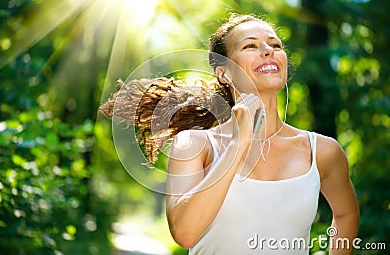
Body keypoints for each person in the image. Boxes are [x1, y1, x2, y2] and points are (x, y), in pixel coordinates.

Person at [99, 13, 359, 254]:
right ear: (224, 73)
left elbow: (346, 215)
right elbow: (184, 233)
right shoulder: (195, 144)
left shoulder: (322, 150)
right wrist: (239, 141)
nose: (268, 51)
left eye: (275, 45)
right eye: (250, 46)